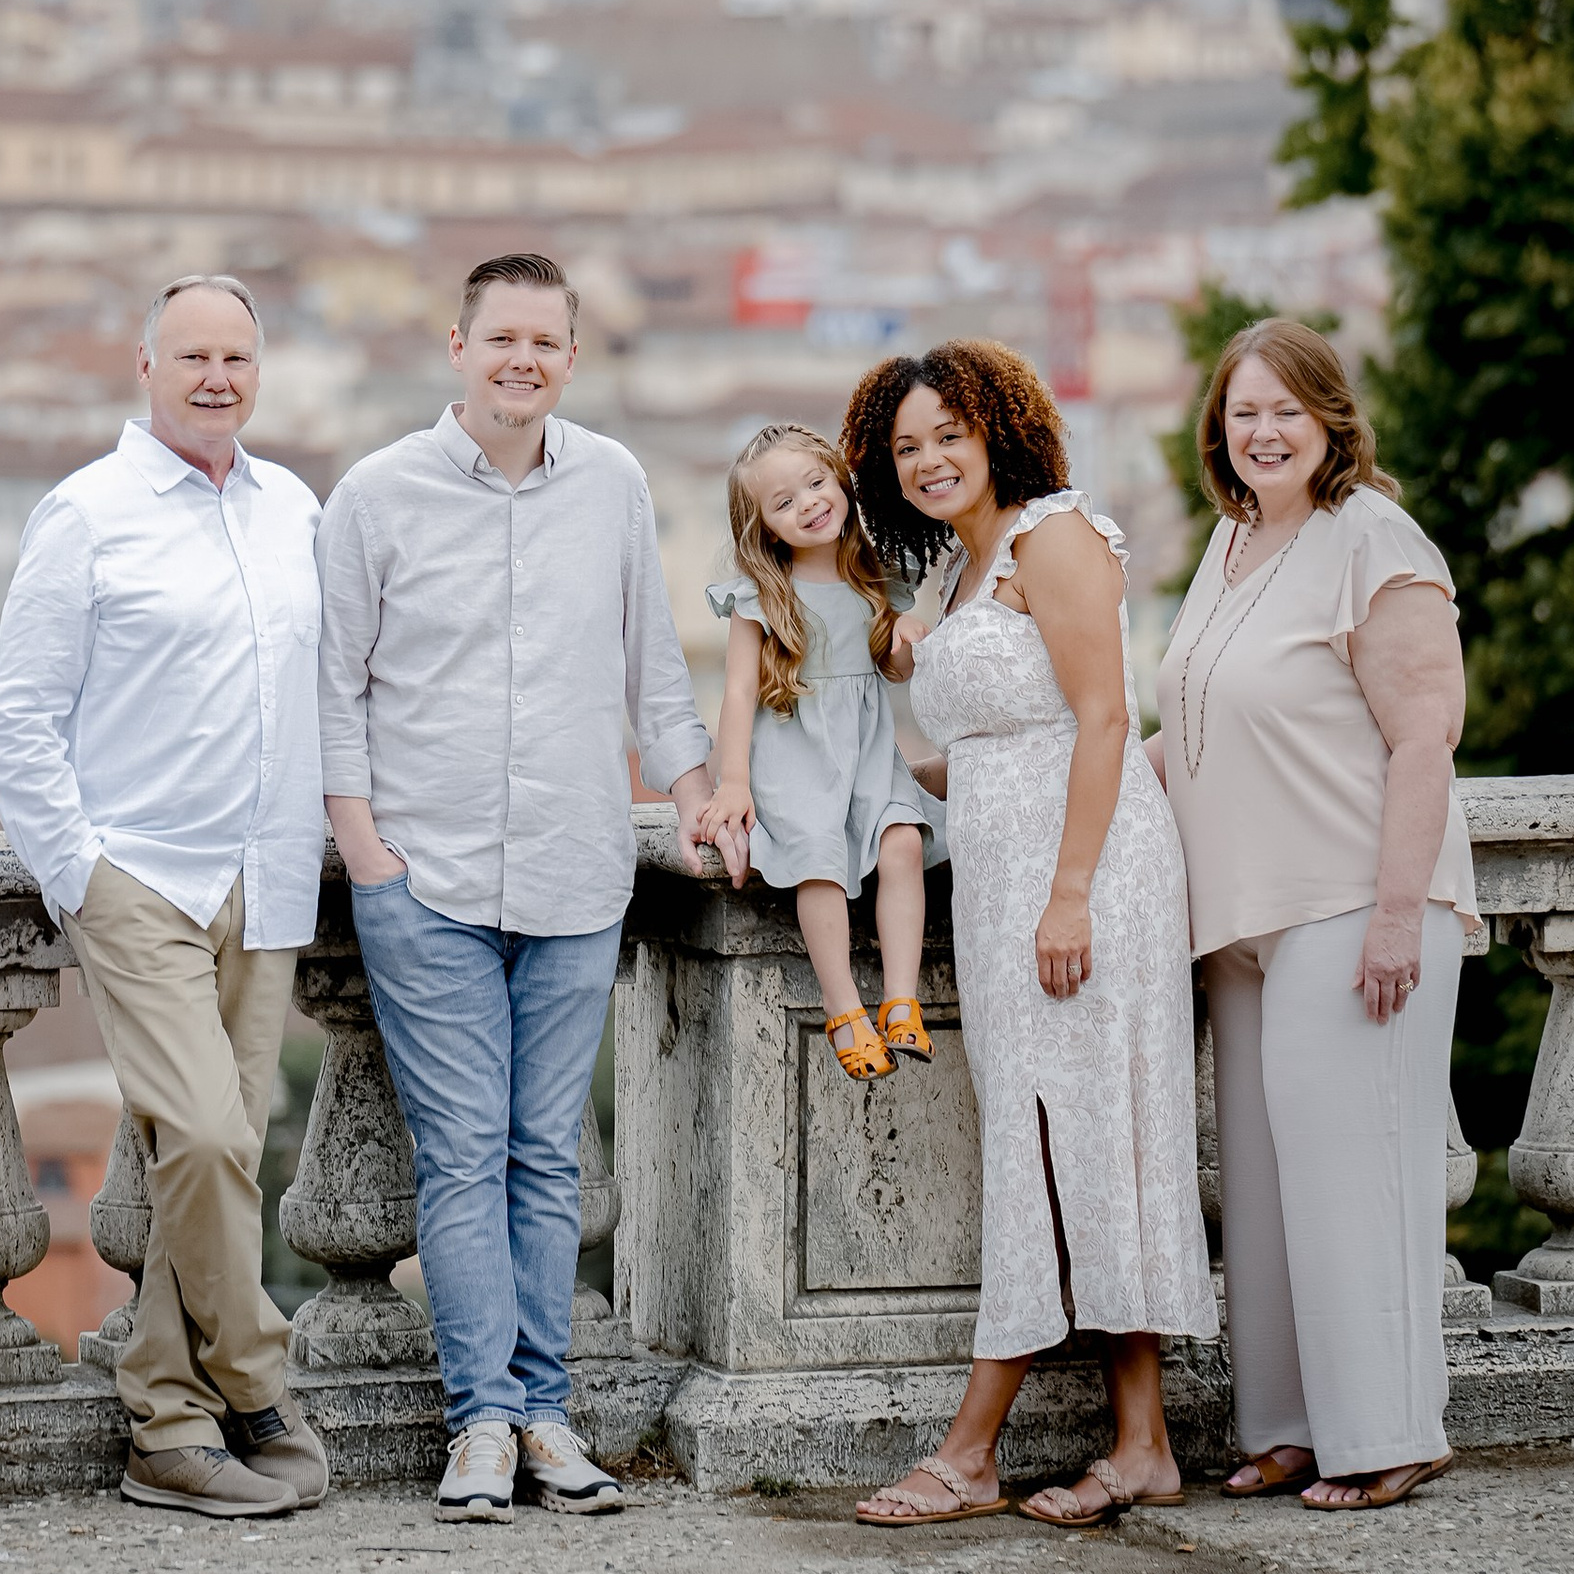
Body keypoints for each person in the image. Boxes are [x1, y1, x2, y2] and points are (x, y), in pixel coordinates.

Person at [317, 251, 718, 1524]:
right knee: (459, 1156)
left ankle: (547, 1418)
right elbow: (331, 691)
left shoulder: (611, 481)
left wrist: (700, 788)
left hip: (576, 868)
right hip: (422, 877)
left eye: (545, 341)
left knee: (545, 1155)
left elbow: (653, 664)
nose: (522, 360)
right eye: (502, 338)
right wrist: (368, 855)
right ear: (457, 344)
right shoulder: (374, 495)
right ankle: (479, 1424)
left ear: (571, 357)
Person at [842, 341, 1214, 1532]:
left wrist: (1069, 893)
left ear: (998, 427)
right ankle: (1143, 1444)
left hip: (1087, 879)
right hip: (1002, 885)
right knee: (1068, 1140)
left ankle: (969, 1449)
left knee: (1081, 1140)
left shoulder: (1056, 536)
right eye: (904, 447)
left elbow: (1105, 717)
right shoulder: (961, 569)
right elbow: (988, 752)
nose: (928, 459)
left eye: (947, 432)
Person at [0, 275, 331, 1520]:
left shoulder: (295, 506)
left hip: (267, 871)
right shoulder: (87, 512)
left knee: (207, 1159)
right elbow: (16, 720)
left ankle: (164, 1423)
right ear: (146, 366)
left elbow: (330, 688)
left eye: (236, 355)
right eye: (192, 354)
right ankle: (257, 1381)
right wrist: (81, 872)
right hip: (141, 874)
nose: (217, 376)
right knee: (208, 1135)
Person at [1153, 319, 1473, 1513]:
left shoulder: (1371, 537)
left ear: (1332, 419)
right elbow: (1191, 735)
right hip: (1245, 915)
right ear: (1217, 431)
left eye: (1288, 409)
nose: (1264, 431)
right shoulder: (1235, 542)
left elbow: (1424, 736)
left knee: (1351, 1177)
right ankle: (1291, 1427)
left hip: (1352, 902)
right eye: (1243, 412)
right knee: (1268, 1189)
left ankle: (1388, 1431)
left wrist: (1399, 913)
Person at [693, 422, 944, 1081]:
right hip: (795, 756)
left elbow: (892, 674)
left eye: (814, 482)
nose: (807, 503)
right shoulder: (762, 598)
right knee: (820, 861)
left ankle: (899, 1000)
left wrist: (904, 642)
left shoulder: (873, 578)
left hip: (865, 755)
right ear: (766, 528)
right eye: (783, 502)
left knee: (904, 844)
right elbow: (740, 693)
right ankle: (844, 1011)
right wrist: (734, 781)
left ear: (839, 480)